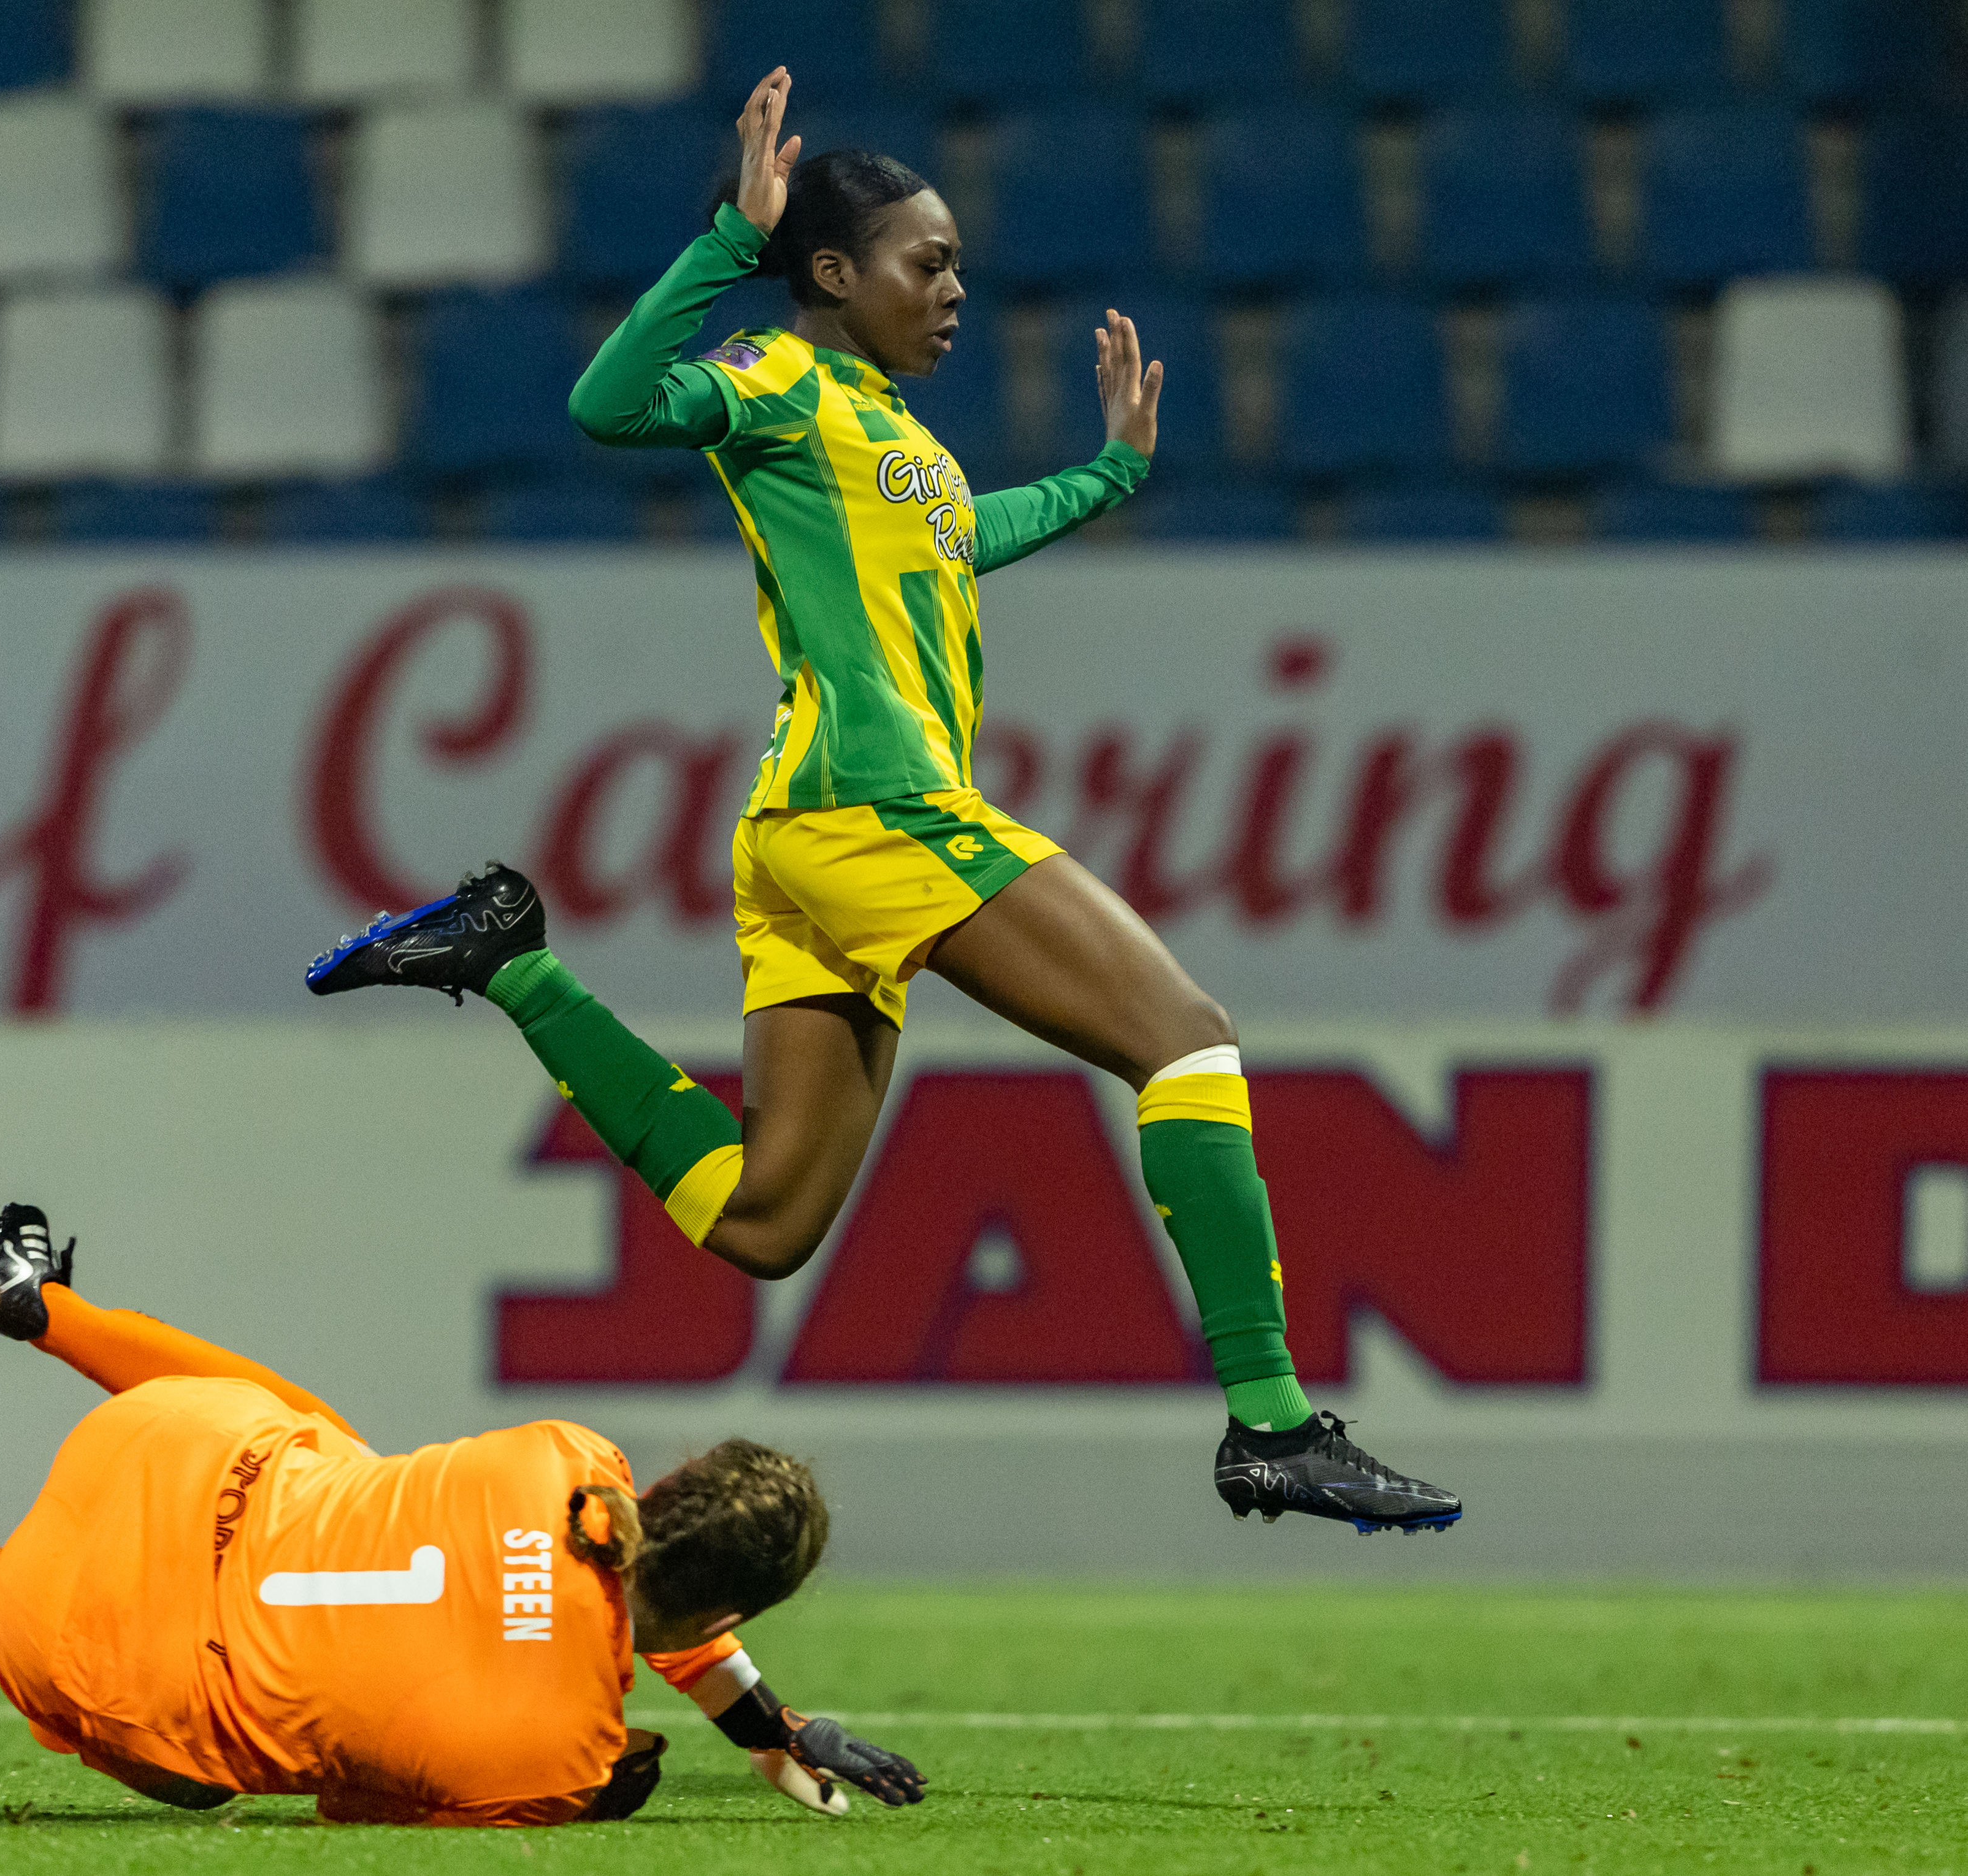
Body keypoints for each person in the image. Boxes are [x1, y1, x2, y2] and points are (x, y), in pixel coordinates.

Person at [306, 68, 1459, 1535]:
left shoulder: (885, 427)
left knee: (767, 1222)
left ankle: (511, 959)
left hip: (807, 833)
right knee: (1187, 1041)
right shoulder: (778, 381)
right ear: (835, 274)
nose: (957, 289)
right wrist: (732, 241)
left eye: (961, 264)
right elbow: (607, 405)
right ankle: (1273, 1422)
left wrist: (1105, 479)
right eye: (931, 263)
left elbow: (959, 540)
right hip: (875, 801)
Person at [0, 1203, 928, 1826]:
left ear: (662, 1486)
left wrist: (758, 1718)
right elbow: (349, 1810)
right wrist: (764, 1728)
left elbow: (635, 1572)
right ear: (731, 1608)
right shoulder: (568, 1765)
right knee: (198, 1771)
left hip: (163, 1439)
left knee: (319, 1439)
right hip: (67, 1631)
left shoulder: (565, 1457)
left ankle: (42, 1310)